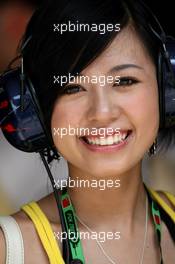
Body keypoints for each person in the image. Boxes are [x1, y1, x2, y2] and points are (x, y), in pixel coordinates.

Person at [0, 0, 174, 263]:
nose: (102, 112)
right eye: (72, 87)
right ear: (36, 109)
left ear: (165, 90)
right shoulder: (9, 249)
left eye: (124, 81)